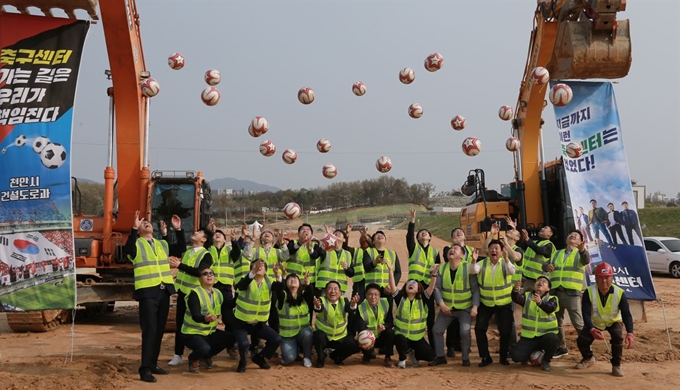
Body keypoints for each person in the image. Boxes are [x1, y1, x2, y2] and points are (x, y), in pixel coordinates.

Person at [124, 211, 184, 383]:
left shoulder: (160, 244)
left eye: (148, 222)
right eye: (143, 223)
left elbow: (180, 249)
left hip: (163, 291)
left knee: (159, 330)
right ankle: (144, 369)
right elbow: (128, 249)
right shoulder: (137, 244)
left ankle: (153, 364)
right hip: (147, 292)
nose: (146, 223)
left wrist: (178, 230)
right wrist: (134, 228)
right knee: (149, 331)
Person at [574, 262, 635, 377]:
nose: (604, 281)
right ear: (595, 278)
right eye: (600, 278)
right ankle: (588, 358)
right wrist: (591, 328)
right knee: (581, 341)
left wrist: (630, 333)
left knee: (617, 337)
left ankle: (616, 365)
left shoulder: (619, 293)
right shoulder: (589, 291)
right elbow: (585, 313)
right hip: (595, 322)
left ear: (612, 278)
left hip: (613, 321)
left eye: (607, 277)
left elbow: (626, 314)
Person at [168, 225, 214, 367]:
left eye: (199, 232)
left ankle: (204, 354)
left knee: (198, 325)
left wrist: (180, 265)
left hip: (196, 296)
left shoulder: (206, 255)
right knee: (181, 324)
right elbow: (178, 246)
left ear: (204, 239)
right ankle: (178, 354)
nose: (195, 232)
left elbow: (200, 272)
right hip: (183, 293)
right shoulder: (188, 252)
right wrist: (178, 229)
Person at [429, 245, 479, 367]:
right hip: (447, 309)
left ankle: (465, 358)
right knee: (437, 330)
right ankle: (440, 356)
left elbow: (475, 290)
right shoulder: (442, 268)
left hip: (465, 309)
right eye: (451, 249)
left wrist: (475, 307)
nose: (452, 250)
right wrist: (441, 305)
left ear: (462, 255)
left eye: (456, 249)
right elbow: (437, 288)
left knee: (464, 332)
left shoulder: (468, 268)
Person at [543, 230, 590, 358]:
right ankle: (561, 347)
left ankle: (587, 349)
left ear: (580, 242)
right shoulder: (557, 253)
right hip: (555, 292)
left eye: (576, 236)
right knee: (556, 322)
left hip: (571, 293)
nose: (572, 236)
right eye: (571, 235)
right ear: (566, 239)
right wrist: (547, 267)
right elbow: (544, 265)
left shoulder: (580, 253)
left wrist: (582, 250)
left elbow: (586, 260)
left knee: (578, 323)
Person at [231, 259, 283, 373]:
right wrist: (253, 273)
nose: (259, 267)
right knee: (244, 344)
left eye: (262, 266)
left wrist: (278, 275)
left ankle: (259, 357)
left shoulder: (269, 282)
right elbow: (240, 286)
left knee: (276, 339)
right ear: (252, 269)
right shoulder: (246, 280)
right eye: (256, 265)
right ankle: (243, 361)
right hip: (241, 323)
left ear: (266, 271)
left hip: (258, 323)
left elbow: (280, 288)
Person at [182, 265, 235, 374]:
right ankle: (193, 359)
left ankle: (205, 357)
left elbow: (227, 306)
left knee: (231, 338)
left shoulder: (217, 293)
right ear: (199, 279)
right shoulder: (195, 293)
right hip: (192, 333)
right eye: (205, 274)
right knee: (204, 348)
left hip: (209, 332)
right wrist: (205, 318)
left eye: (211, 273)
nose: (209, 275)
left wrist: (239, 294)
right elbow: (195, 316)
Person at [474, 240, 516, 367]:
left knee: (505, 331)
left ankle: (504, 357)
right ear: (488, 251)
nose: (494, 250)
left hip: (504, 303)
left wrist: (507, 258)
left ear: (502, 251)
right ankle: (485, 357)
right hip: (486, 303)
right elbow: (473, 270)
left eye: (496, 248)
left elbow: (512, 271)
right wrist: (472, 261)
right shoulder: (482, 263)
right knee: (479, 329)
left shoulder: (506, 263)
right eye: (491, 248)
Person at [406, 207, 440, 346]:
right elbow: (409, 236)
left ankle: (433, 347)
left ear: (430, 237)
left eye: (426, 233)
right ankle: (411, 346)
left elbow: (438, 270)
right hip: (415, 287)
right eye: (420, 233)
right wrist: (412, 221)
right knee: (412, 315)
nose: (423, 233)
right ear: (417, 238)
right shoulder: (414, 248)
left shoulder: (435, 251)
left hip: (429, 288)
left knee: (430, 318)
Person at [510, 276, 559, 372]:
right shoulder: (527, 296)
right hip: (529, 337)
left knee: (553, 339)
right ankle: (530, 353)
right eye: (538, 280)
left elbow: (550, 308)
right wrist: (515, 290)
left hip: (545, 336)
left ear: (548, 288)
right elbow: (517, 298)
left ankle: (546, 360)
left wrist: (540, 303)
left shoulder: (553, 298)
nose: (540, 282)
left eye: (544, 282)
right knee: (516, 357)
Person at [392, 266, 438, 369]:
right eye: (409, 283)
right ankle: (402, 358)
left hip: (417, 338)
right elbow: (392, 287)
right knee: (399, 339)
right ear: (405, 287)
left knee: (431, 356)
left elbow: (430, 289)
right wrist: (391, 270)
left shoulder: (423, 300)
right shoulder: (401, 299)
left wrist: (434, 275)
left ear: (419, 289)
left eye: (414, 283)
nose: (411, 284)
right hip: (402, 335)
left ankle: (414, 355)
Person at [356, 260, 397, 367]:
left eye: (376, 294)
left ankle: (388, 358)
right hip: (368, 337)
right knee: (362, 336)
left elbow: (390, 322)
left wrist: (384, 326)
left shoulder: (385, 303)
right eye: (370, 294)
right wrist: (368, 334)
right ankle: (367, 355)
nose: (373, 297)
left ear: (379, 296)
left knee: (390, 333)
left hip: (380, 336)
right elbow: (360, 327)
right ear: (365, 295)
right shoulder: (361, 307)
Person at [312, 282, 361, 367]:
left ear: (340, 292)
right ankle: (321, 358)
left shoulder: (344, 300)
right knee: (318, 335)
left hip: (340, 338)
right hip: (325, 338)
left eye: (335, 289)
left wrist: (353, 304)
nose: (332, 291)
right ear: (325, 291)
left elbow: (350, 309)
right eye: (330, 289)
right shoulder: (321, 300)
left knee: (355, 345)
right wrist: (317, 306)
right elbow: (319, 308)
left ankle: (336, 357)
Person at [273, 271, 315, 368]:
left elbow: (311, 293)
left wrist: (308, 283)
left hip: (302, 332)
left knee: (308, 333)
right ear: (286, 283)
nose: (293, 280)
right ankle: (293, 351)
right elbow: (279, 291)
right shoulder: (282, 297)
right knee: (288, 359)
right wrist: (279, 278)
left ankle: (307, 357)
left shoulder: (304, 298)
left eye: (295, 278)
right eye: (290, 279)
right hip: (287, 335)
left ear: (300, 284)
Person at [207, 219, 242, 302]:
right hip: (211, 284)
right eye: (215, 234)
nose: (217, 234)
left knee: (227, 311)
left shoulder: (229, 250)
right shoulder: (208, 249)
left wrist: (234, 241)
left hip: (226, 286)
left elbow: (237, 252)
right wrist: (210, 230)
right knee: (212, 310)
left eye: (220, 234)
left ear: (224, 240)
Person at [315, 226, 355, 295]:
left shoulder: (347, 254)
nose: (337, 234)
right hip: (325, 287)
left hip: (340, 289)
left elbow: (351, 273)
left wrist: (347, 268)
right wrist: (328, 236)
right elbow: (320, 252)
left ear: (344, 239)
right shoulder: (327, 250)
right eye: (335, 234)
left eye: (340, 233)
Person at [363, 230, 401, 297]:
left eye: (382, 235)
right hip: (372, 290)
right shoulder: (368, 251)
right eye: (377, 235)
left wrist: (392, 285)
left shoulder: (392, 253)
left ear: (385, 240)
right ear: (373, 242)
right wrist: (375, 262)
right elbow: (366, 268)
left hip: (387, 290)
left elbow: (398, 272)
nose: (380, 235)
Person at [286, 223, 325, 289]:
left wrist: (310, 249)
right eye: (302, 229)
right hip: (293, 280)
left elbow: (315, 255)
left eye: (308, 230)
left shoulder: (315, 246)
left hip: (308, 281)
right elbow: (290, 250)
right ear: (298, 234)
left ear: (311, 235)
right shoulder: (293, 242)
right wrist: (299, 243)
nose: (305, 231)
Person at [519, 226, 556, 292]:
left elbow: (540, 251)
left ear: (550, 234)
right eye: (542, 228)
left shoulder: (549, 245)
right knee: (528, 299)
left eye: (545, 228)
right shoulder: (534, 242)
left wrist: (528, 239)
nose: (541, 228)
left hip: (539, 279)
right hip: (527, 277)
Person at [349, 225, 371, 302]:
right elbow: (345, 247)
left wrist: (365, 236)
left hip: (370, 281)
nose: (364, 240)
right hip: (358, 283)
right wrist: (347, 234)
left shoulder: (374, 251)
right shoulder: (355, 251)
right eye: (362, 238)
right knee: (356, 304)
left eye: (366, 239)